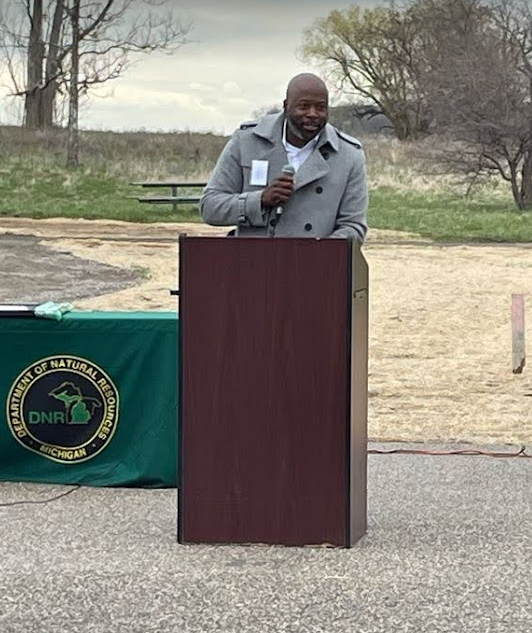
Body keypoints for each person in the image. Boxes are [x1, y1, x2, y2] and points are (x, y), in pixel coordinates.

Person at [199, 73, 368, 242]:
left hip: (316, 257)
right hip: (254, 256)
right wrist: (259, 200)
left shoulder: (349, 156)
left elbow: (353, 226)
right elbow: (210, 207)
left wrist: (319, 252)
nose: (312, 114)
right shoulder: (247, 142)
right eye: (304, 106)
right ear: (286, 106)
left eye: (320, 107)